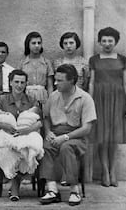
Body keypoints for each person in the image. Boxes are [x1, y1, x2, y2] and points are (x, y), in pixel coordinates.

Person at [39, 64, 96, 206]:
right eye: (56, 79)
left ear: (72, 80)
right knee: (46, 147)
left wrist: (65, 138)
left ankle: (74, 190)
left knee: (66, 148)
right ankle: (52, 190)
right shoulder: (53, 96)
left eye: (60, 80)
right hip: (56, 132)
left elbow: (87, 128)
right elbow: (45, 117)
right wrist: (48, 132)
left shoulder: (85, 98)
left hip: (76, 136)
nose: (56, 83)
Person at [0, 69, 43, 201]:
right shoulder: (1, 100)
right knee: (10, 148)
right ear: (10, 83)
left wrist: (27, 130)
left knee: (25, 146)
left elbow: (40, 122)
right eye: (16, 81)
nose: (19, 85)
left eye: (22, 82)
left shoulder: (32, 100)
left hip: (25, 135)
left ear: (26, 84)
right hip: (7, 135)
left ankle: (15, 186)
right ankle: (14, 183)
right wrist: (4, 126)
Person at [88, 27, 126, 187]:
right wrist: (90, 103)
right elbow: (92, 82)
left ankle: (113, 171)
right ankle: (105, 172)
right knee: (101, 138)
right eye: (104, 40)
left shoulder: (123, 59)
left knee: (114, 138)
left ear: (115, 42)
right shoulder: (94, 59)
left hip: (118, 100)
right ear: (100, 42)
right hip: (99, 99)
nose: (107, 43)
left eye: (110, 40)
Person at [18, 32, 54, 103]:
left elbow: (50, 85)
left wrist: (51, 100)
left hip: (42, 96)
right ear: (28, 44)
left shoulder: (46, 62)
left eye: (39, 43)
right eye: (33, 43)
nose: (37, 46)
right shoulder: (22, 63)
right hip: (26, 95)